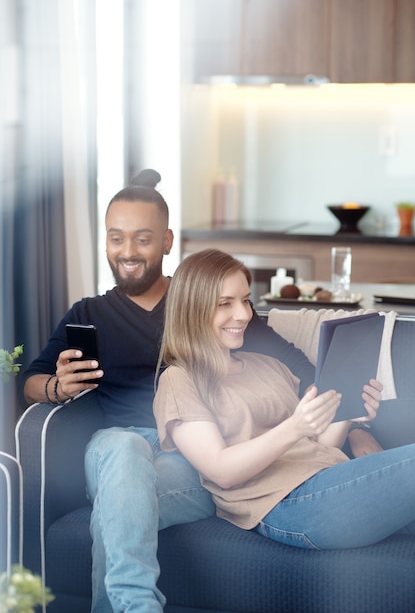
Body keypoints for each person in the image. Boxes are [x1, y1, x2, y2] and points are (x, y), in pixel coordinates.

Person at [21, 170, 319, 612]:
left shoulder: (207, 303)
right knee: (124, 448)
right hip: (117, 447)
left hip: (189, 454)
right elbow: (31, 381)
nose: (127, 252)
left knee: (120, 506)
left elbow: (299, 369)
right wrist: (56, 386)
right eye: (115, 238)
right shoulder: (87, 311)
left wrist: (342, 422)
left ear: (166, 241)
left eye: (142, 239)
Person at [153, 248, 415, 552]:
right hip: (285, 504)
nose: (243, 314)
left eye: (245, 300)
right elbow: (220, 470)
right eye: (225, 303)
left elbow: (321, 446)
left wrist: (350, 412)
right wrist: (294, 427)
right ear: (192, 310)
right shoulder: (179, 379)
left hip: (330, 478)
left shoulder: (266, 365)